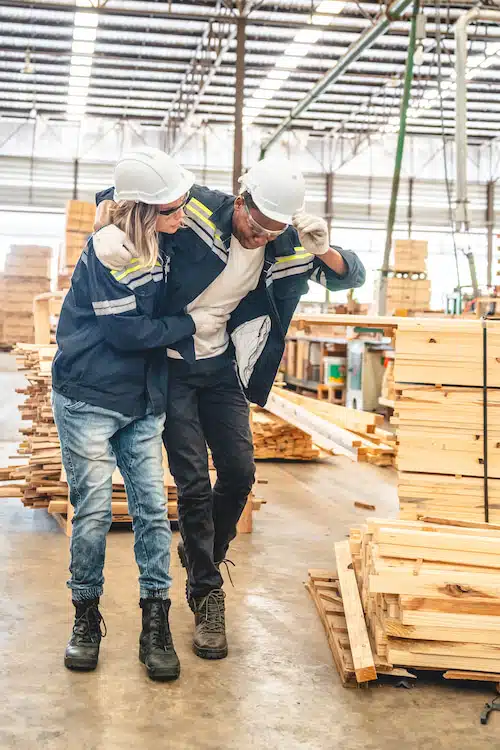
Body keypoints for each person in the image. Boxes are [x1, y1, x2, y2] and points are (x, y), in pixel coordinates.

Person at [94, 154, 366, 662]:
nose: (261, 236)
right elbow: (127, 191)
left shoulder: (287, 244)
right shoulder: (197, 207)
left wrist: (325, 251)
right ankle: (206, 592)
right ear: (240, 200)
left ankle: (205, 558)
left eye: (273, 229)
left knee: (240, 473)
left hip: (224, 369)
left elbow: (350, 276)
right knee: (193, 481)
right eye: (255, 224)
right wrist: (109, 222)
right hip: (172, 361)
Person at [52, 148, 226, 680]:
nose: (182, 216)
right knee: (96, 513)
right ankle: (85, 617)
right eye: (172, 209)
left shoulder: (157, 234)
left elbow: (138, 200)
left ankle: (156, 624)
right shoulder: (110, 250)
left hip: (143, 401)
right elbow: (128, 333)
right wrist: (189, 325)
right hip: (89, 398)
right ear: (144, 211)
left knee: (153, 511)